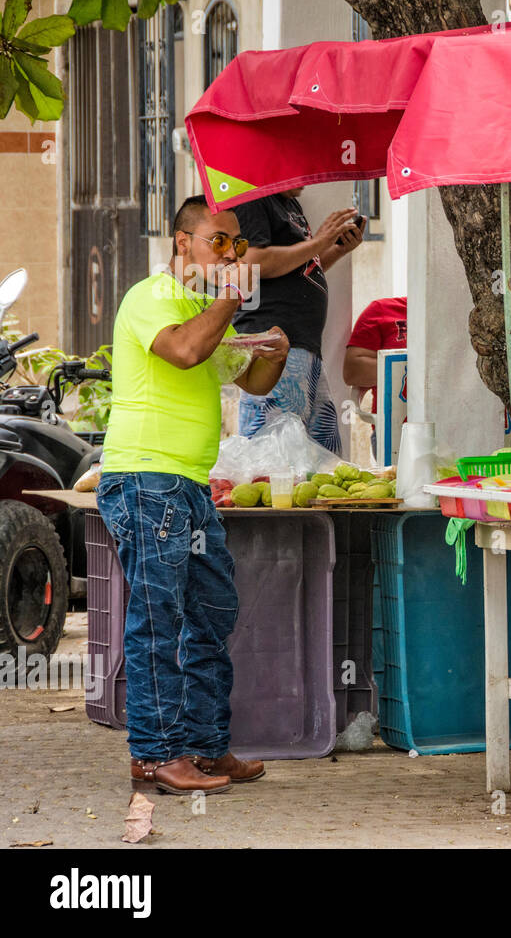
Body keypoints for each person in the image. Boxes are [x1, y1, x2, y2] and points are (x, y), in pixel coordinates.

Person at [96, 194, 290, 794]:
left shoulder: (202, 310)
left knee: (212, 610)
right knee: (158, 617)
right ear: (183, 243)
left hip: (187, 486)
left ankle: (206, 747)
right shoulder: (151, 298)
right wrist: (234, 294)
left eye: (237, 245)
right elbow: (184, 352)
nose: (231, 254)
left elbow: (250, 379)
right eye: (219, 242)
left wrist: (276, 356)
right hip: (145, 480)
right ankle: (154, 755)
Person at [232, 189, 363, 454]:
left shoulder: (289, 204)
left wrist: (335, 250)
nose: (304, 181)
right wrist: (319, 242)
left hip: (303, 346)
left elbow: (299, 270)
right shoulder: (253, 199)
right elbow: (254, 261)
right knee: (272, 459)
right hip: (274, 345)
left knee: (320, 459)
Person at [342, 295, 408, 456]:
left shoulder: (461, 312)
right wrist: (413, 367)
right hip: (393, 433)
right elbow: (353, 370)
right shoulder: (382, 309)